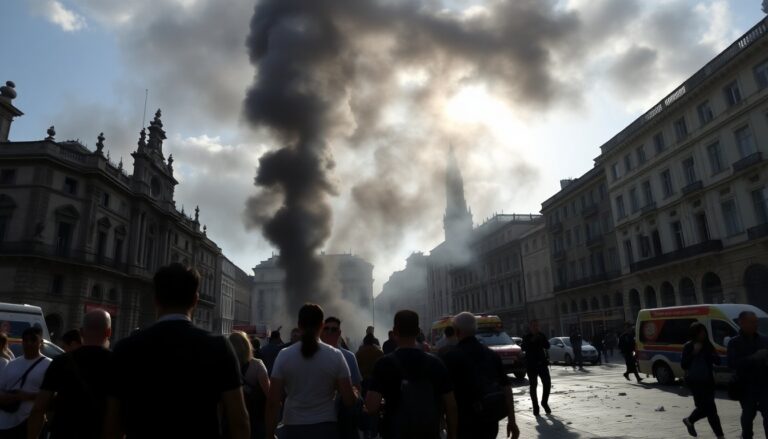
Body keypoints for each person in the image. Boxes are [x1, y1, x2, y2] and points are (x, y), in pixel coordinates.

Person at [103, 263, 249, 439]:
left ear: (156, 299)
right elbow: (239, 421)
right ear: (195, 300)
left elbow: (112, 424)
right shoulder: (219, 347)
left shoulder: (126, 349)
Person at [265, 304, 356, 439]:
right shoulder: (335, 355)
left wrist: (269, 434)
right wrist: (355, 392)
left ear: (299, 325)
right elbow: (349, 400)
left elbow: (273, 401)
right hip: (325, 427)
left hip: (292, 426)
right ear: (321, 325)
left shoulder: (284, 355)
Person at [365, 310, 457, 439]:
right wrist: (452, 434)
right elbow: (451, 405)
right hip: (429, 433)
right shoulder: (436, 363)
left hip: (394, 433)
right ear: (418, 331)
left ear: (395, 332)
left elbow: (371, 406)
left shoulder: (383, 364)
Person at [27, 309, 114, 439]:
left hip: (63, 433)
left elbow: (39, 407)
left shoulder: (61, 362)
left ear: (82, 332)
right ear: (109, 332)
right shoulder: (118, 363)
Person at [444, 312, 520, 439]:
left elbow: (449, 399)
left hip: (465, 424)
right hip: (489, 421)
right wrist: (511, 421)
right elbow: (506, 388)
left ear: (457, 331)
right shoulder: (492, 354)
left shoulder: (451, 357)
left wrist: (450, 430)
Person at [0, 326, 51, 439]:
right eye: (25, 340)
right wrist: (8, 397)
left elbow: (53, 396)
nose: (29, 343)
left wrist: (27, 396)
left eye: (33, 340)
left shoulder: (49, 365)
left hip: (30, 424)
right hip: (6, 423)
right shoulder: (12, 364)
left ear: (41, 342)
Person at [727, 310, 768, 439]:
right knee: (748, 416)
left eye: (756, 322)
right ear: (741, 323)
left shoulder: (764, 339)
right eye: (751, 322)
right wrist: (754, 357)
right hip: (746, 387)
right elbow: (732, 364)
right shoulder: (734, 342)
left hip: (764, 385)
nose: (755, 325)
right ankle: (746, 436)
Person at [320, 316, 362, 439]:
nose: (329, 332)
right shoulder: (313, 355)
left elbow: (357, 387)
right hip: (320, 418)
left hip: (344, 417)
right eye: (326, 328)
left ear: (339, 333)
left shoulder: (349, 357)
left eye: (333, 329)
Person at [681, 322, 724, 439]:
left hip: (708, 381)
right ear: (694, 334)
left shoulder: (708, 345)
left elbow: (717, 361)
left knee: (710, 410)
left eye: (704, 332)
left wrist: (708, 354)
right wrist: (694, 353)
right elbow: (684, 364)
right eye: (700, 333)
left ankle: (689, 420)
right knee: (708, 409)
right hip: (695, 382)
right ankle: (720, 436)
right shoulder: (688, 346)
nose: (703, 335)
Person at [228, 331, 269, 439]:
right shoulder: (257, 365)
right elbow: (269, 394)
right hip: (255, 418)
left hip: (231, 418)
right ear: (248, 346)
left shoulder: (224, 366)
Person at [521, 319, 551, 416]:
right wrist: (531, 341)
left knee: (547, 383)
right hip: (531, 365)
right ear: (530, 327)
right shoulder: (526, 336)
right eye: (534, 326)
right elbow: (523, 347)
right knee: (533, 386)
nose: (536, 327)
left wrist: (542, 339)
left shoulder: (541, 335)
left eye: (537, 326)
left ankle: (544, 402)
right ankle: (535, 407)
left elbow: (547, 346)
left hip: (542, 363)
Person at [356, 334, 383, 439]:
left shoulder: (359, 353)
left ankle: (365, 429)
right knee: (376, 407)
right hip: (376, 382)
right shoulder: (379, 352)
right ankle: (374, 430)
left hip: (363, 381)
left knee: (364, 406)